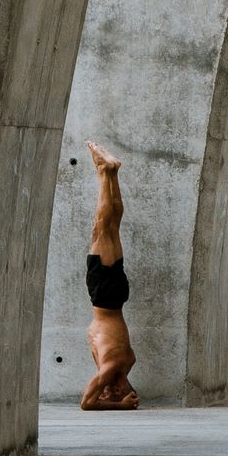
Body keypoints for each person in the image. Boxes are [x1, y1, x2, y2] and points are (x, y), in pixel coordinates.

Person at [80, 141, 139, 410]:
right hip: (105, 297)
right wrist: (120, 405)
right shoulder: (115, 366)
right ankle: (105, 172)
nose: (105, 393)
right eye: (113, 393)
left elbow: (93, 399)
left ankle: (111, 172)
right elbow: (86, 404)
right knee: (103, 227)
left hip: (114, 297)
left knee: (112, 227)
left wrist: (115, 395)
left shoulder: (126, 361)